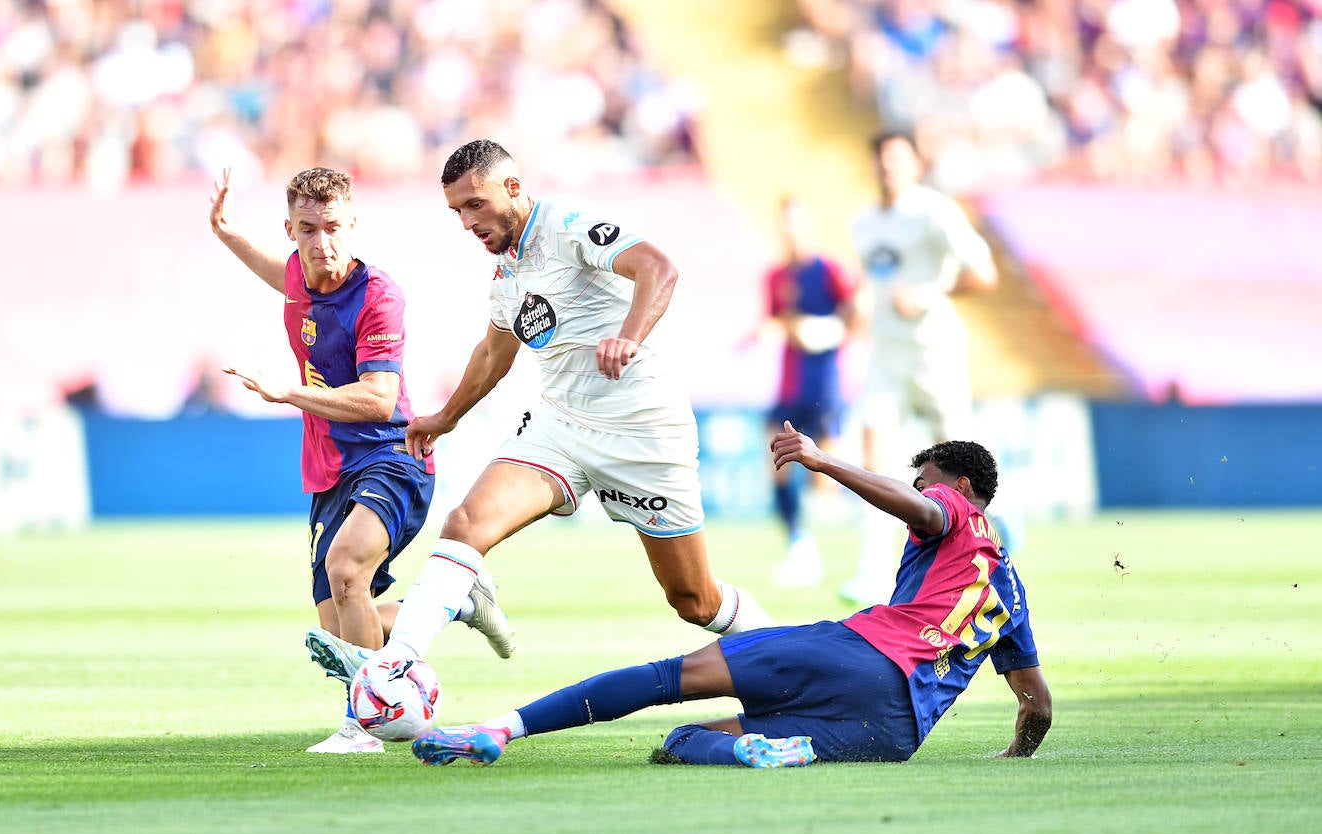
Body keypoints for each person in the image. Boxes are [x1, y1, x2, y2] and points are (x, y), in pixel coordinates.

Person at [303, 138, 773, 687]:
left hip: (643, 431)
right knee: (465, 524)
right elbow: (492, 355)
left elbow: (659, 268)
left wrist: (629, 336)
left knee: (694, 600)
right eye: (457, 210)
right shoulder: (507, 272)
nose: (466, 221)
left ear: (513, 187)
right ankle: (394, 667)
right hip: (559, 427)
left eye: (475, 204)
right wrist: (446, 417)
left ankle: (796, 656)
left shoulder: (567, 222)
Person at [410, 433, 1051, 768]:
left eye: (928, 478)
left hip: (861, 656)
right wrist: (1015, 754)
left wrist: (824, 463)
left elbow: (919, 507)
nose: (920, 489)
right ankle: (757, 748)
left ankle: (503, 728)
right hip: (891, 731)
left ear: (961, 485)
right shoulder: (1012, 591)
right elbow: (1037, 705)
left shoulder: (954, 509)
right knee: (689, 741)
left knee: (668, 681)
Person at [208, 166, 437, 754]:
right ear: (292, 230)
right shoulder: (296, 273)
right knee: (339, 624)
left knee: (345, 572)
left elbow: (379, 399)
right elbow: (276, 273)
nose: (322, 243)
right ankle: (448, 601)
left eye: (333, 227)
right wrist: (227, 233)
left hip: (392, 456)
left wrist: (288, 393)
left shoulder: (379, 296)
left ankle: (362, 727)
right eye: (307, 230)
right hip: (329, 470)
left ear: (353, 224)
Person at [840, 130, 1000, 606]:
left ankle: (986, 561)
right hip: (886, 356)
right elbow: (875, 283)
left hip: (935, 353)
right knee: (873, 455)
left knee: (963, 468)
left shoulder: (936, 211)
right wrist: (859, 312)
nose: (888, 166)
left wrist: (930, 294)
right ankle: (871, 573)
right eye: (881, 158)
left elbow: (984, 274)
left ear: (915, 164)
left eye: (897, 157)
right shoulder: (863, 223)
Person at [750, 196, 856, 587]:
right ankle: (799, 547)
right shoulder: (776, 277)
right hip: (789, 385)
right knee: (775, 463)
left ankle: (873, 547)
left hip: (824, 384)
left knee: (826, 482)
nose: (791, 229)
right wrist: (762, 333)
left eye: (797, 222)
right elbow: (774, 319)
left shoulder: (828, 269)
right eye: (786, 222)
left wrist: (828, 330)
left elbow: (853, 313)